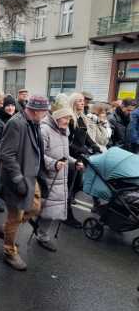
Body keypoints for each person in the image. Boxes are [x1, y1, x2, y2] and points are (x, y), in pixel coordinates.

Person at [0, 95, 49, 271]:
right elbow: (6, 154)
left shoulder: (33, 122)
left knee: (35, 208)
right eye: (44, 112)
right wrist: (18, 179)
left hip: (30, 176)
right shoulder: (16, 123)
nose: (45, 115)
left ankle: (4, 229)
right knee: (16, 217)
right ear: (35, 111)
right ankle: (9, 252)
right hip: (17, 178)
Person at [37, 95, 83, 251]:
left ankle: (42, 235)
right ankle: (8, 229)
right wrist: (53, 163)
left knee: (51, 210)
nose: (67, 121)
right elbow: (37, 155)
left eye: (69, 117)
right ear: (57, 116)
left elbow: (64, 154)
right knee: (34, 210)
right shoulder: (44, 130)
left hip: (59, 176)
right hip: (46, 176)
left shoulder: (64, 131)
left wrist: (74, 162)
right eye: (65, 117)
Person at [66, 92, 101, 228]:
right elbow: (67, 141)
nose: (82, 103)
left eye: (83, 101)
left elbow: (85, 136)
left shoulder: (81, 118)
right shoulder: (70, 118)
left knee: (77, 185)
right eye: (79, 101)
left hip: (79, 156)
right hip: (70, 157)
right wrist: (82, 150)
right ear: (73, 102)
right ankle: (67, 215)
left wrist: (93, 145)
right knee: (70, 186)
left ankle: (66, 205)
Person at [0, 95, 17, 212]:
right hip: (0, 156)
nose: (10, 108)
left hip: (10, 154)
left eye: (12, 105)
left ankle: (1, 198)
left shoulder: (14, 118)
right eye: (8, 106)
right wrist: (3, 155)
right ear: (4, 106)